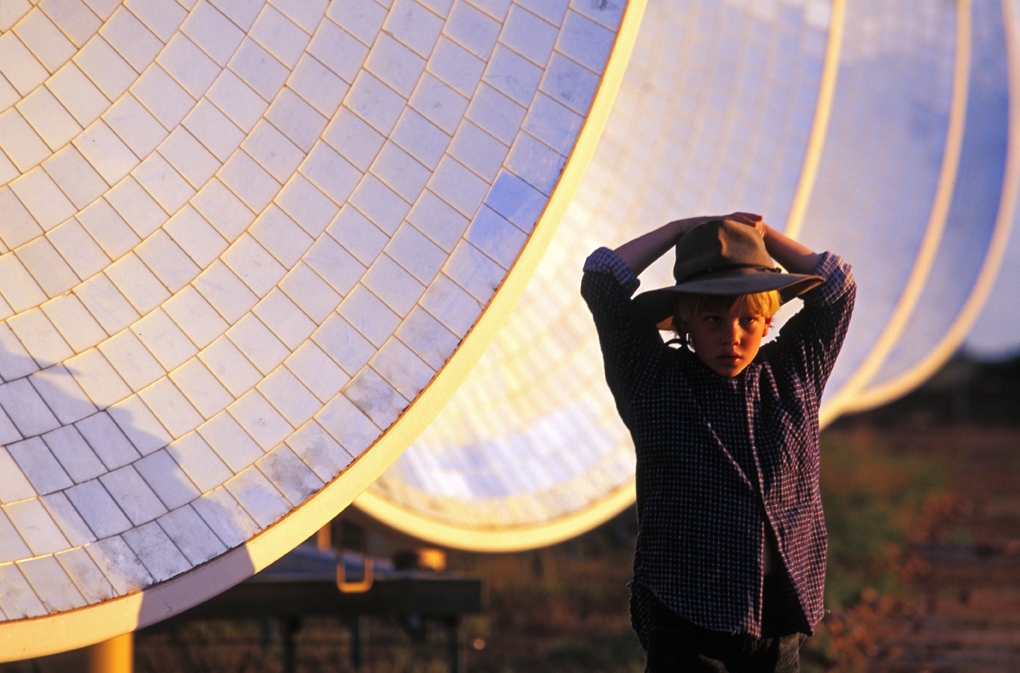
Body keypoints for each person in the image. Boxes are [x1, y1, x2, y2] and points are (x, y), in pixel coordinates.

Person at [580, 213, 856, 672]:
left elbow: (836, 287)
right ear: (684, 322)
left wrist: (761, 238)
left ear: (768, 320)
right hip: (690, 623)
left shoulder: (793, 374)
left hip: (777, 623)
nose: (732, 336)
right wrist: (678, 230)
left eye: (749, 319)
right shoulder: (655, 382)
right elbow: (603, 278)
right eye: (712, 318)